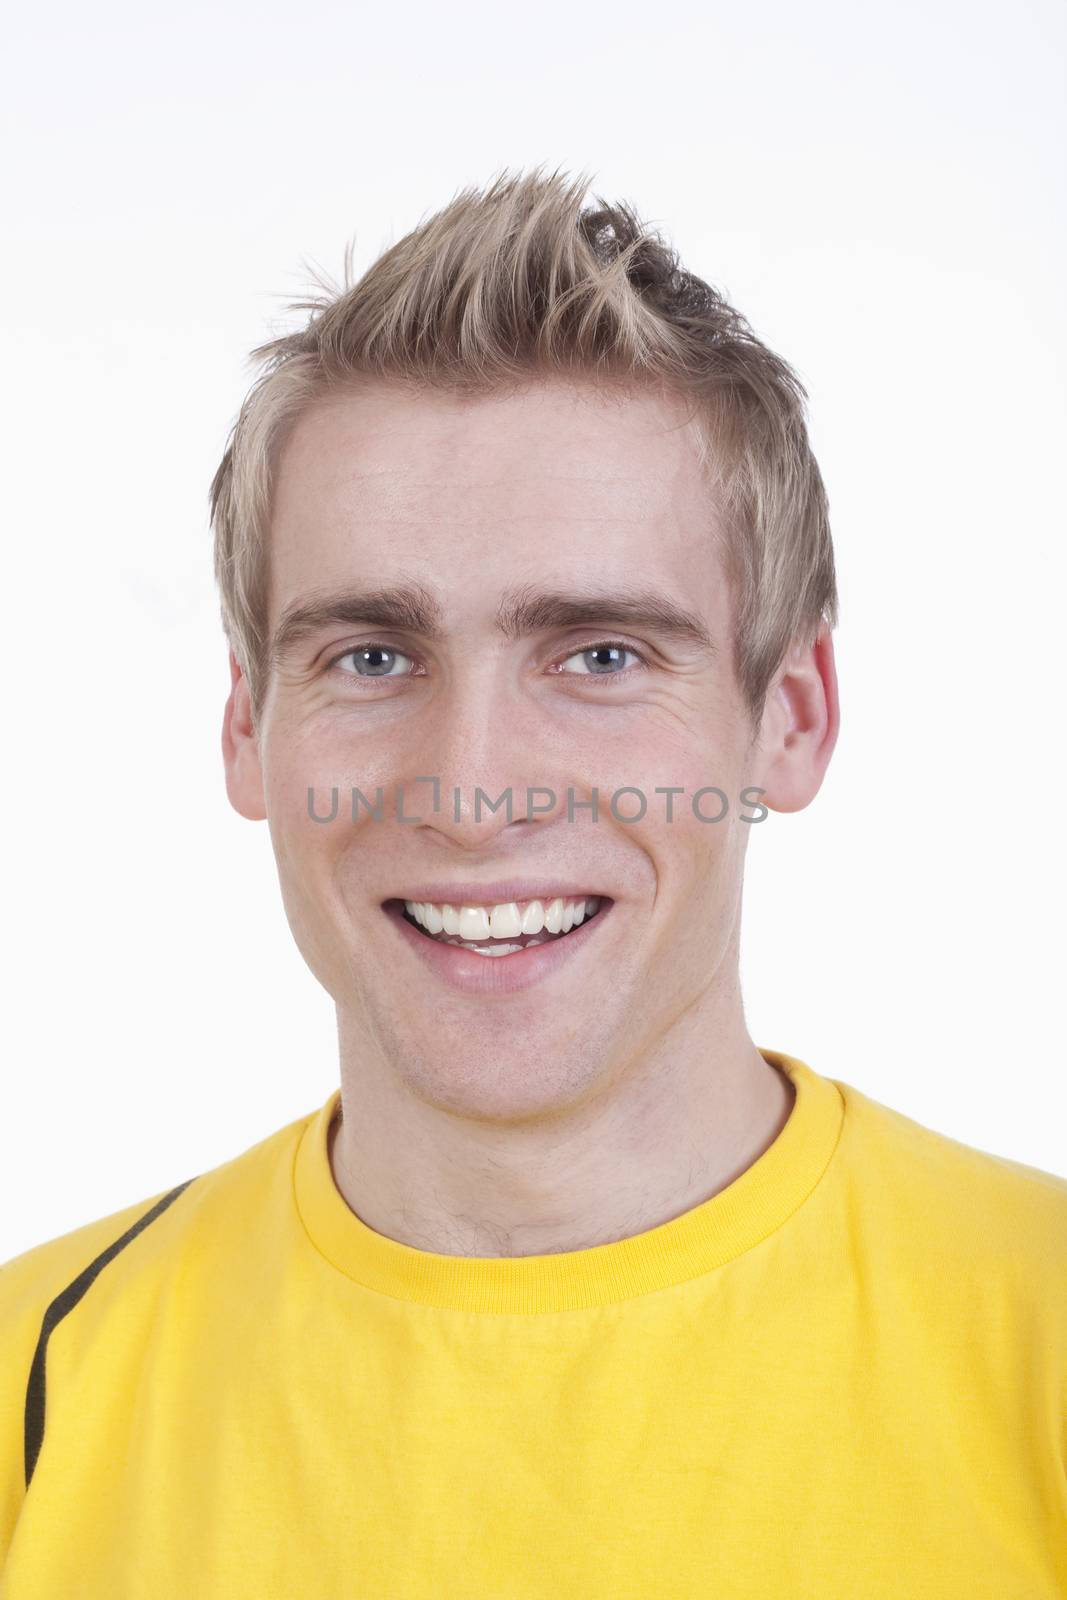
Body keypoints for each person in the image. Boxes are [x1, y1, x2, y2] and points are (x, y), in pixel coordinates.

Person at [1, 170, 1064, 1598]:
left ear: (790, 718)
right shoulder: (33, 1385)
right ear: (248, 727)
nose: (474, 789)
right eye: (370, 658)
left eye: (602, 655)